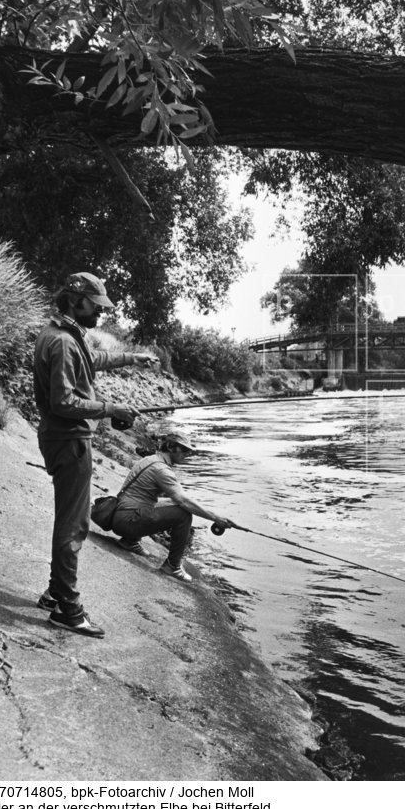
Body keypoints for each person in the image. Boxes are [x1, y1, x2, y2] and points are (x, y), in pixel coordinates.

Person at [33, 271, 158, 637]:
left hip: (65, 439)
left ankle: (55, 594)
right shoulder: (62, 342)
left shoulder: (63, 335)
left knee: (69, 521)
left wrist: (132, 357)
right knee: (74, 526)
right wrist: (111, 409)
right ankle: (67, 609)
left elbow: (93, 359)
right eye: (96, 305)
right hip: (69, 441)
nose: (100, 313)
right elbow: (64, 401)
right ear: (76, 300)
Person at [111, 422, 236, 582]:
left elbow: (173, 499)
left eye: (189, 451)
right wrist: (216, 518)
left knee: (171, 503)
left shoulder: (151, 459)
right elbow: (183, 501)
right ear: (170, 447)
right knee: (183, 513)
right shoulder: (162, 470)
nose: (187, 454)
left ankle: (130, 541)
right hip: (126, 521)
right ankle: (172, 566)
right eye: (184, 450)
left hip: (121, 515)